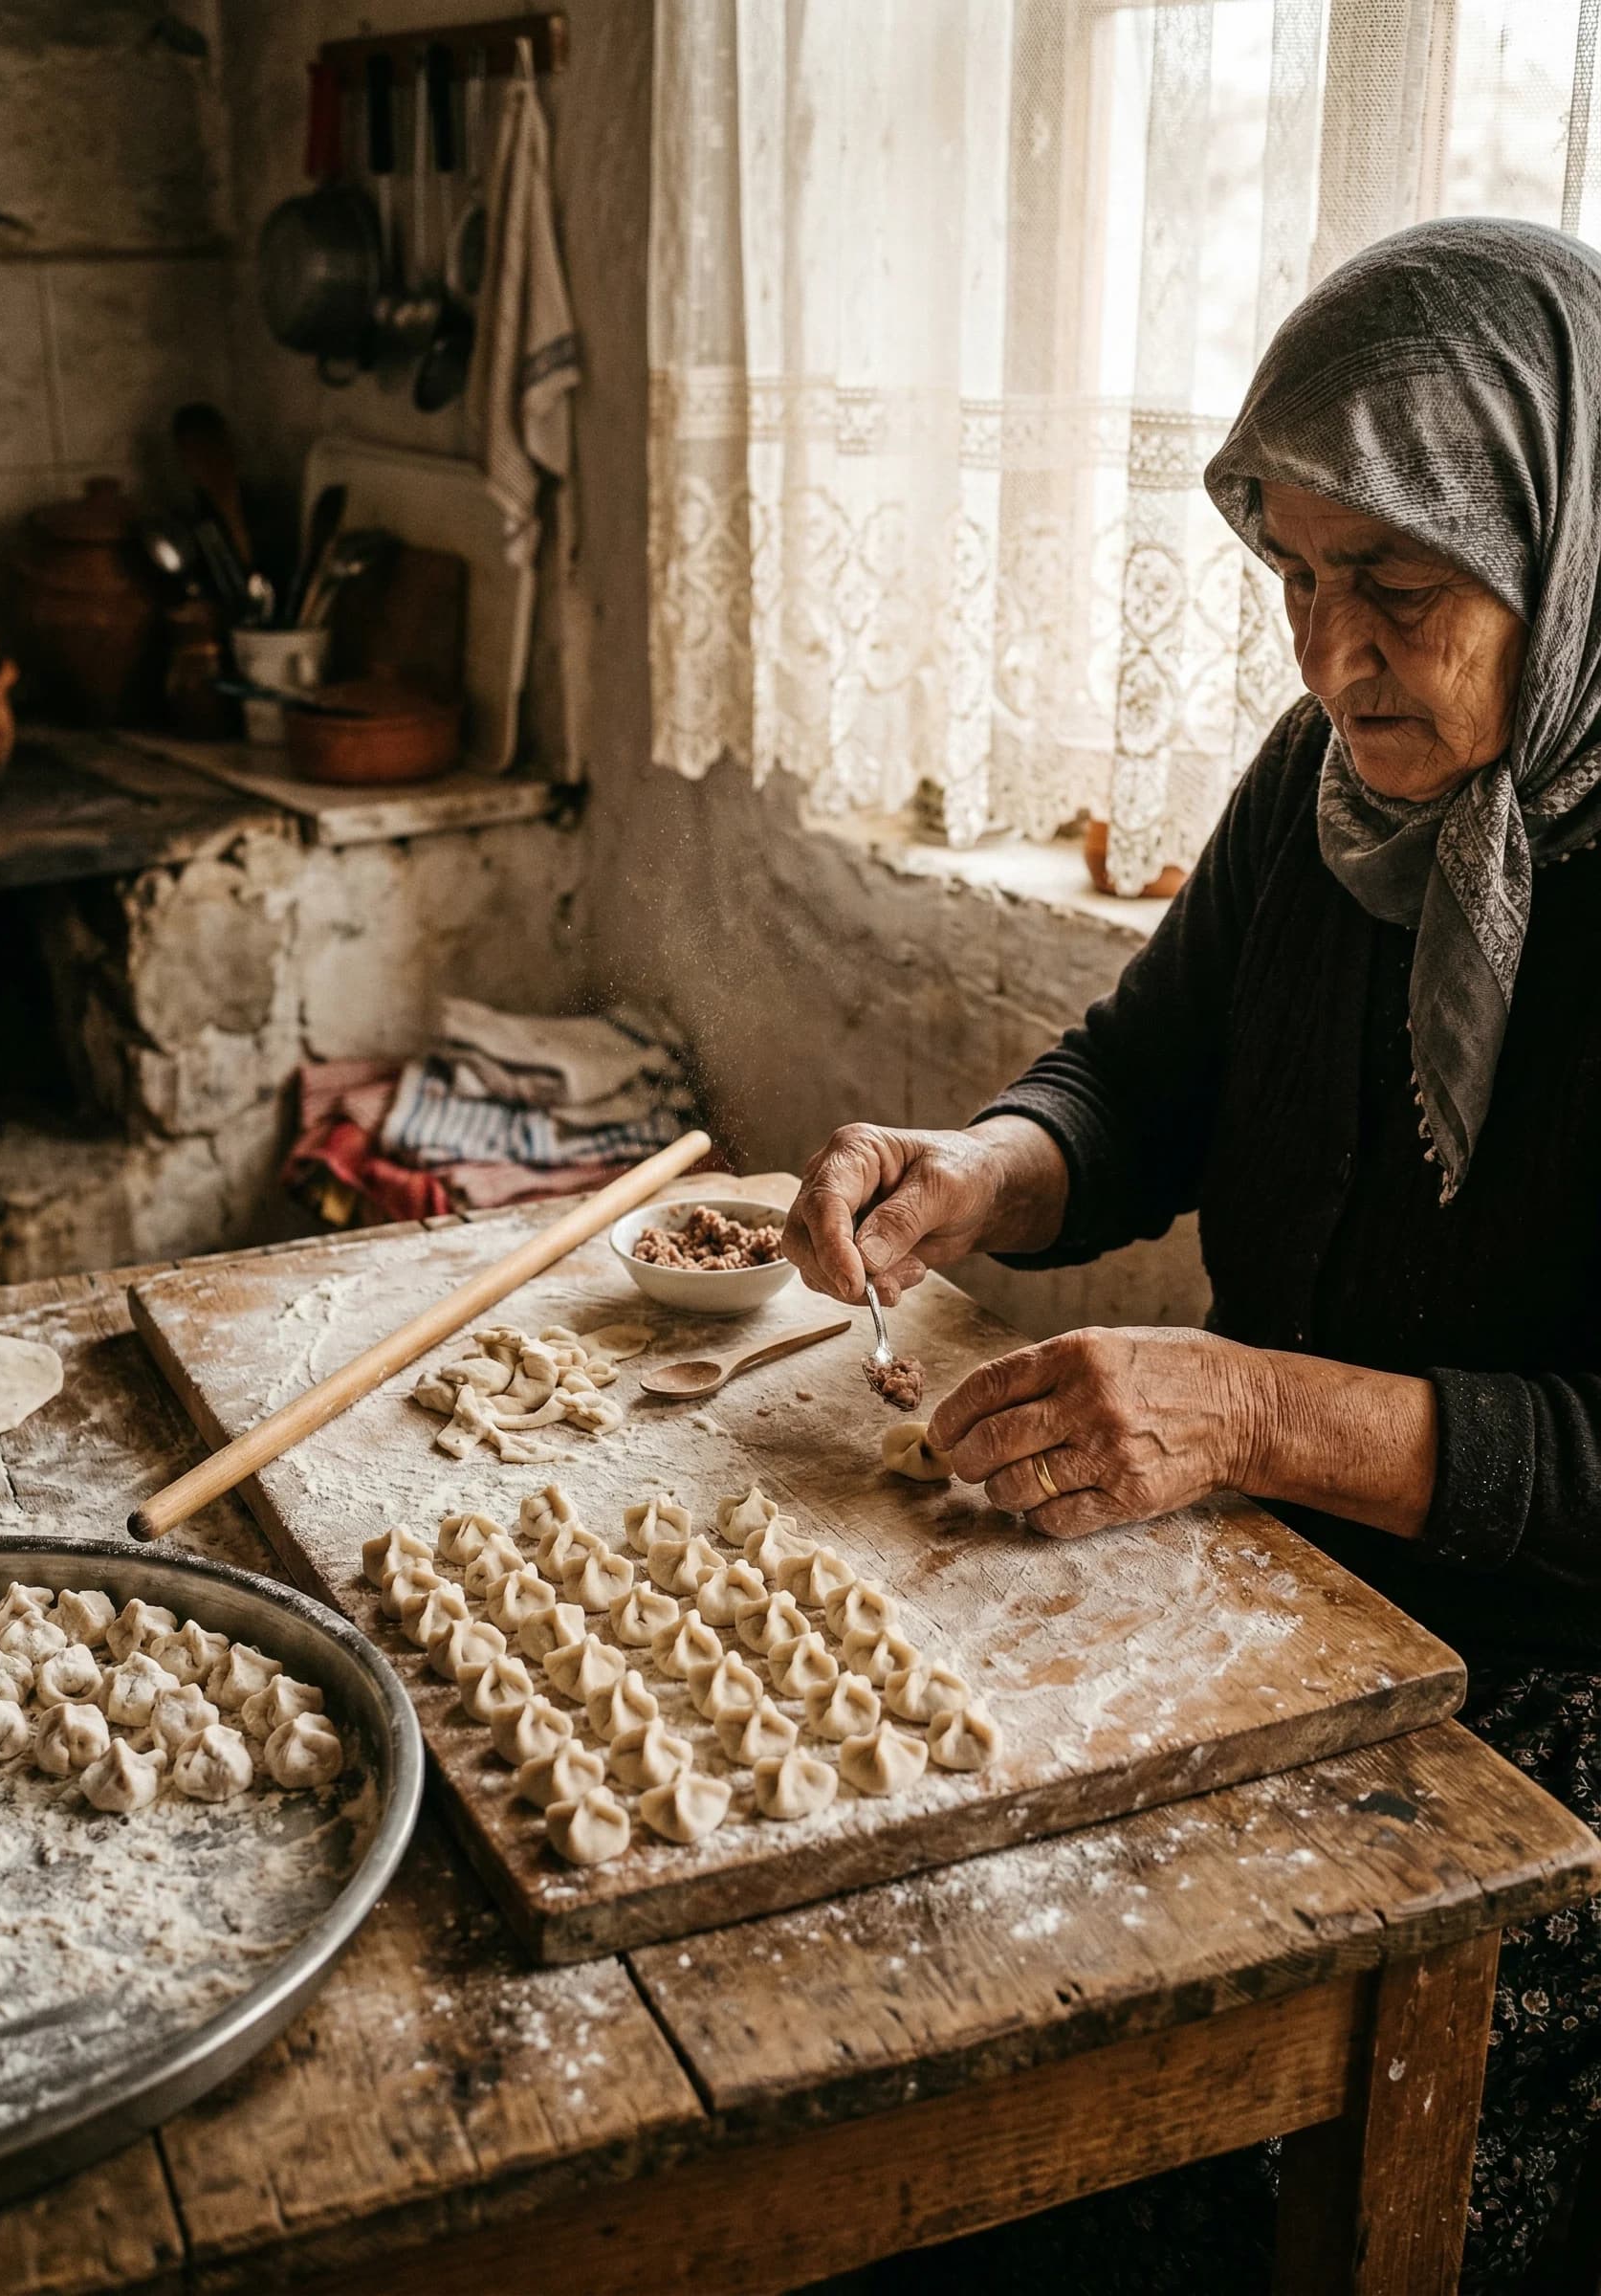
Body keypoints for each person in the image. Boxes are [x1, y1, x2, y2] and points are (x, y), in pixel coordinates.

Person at [784, 216, 1601, 2291]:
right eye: (1296, 584)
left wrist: (1245, 1408)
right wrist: (981, 1171)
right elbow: (1136, 1077)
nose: (1330, 659)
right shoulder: (1324, 789)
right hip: (1276, 1595)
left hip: (1558, 1726)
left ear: (1563, 542)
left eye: (1396, 592)